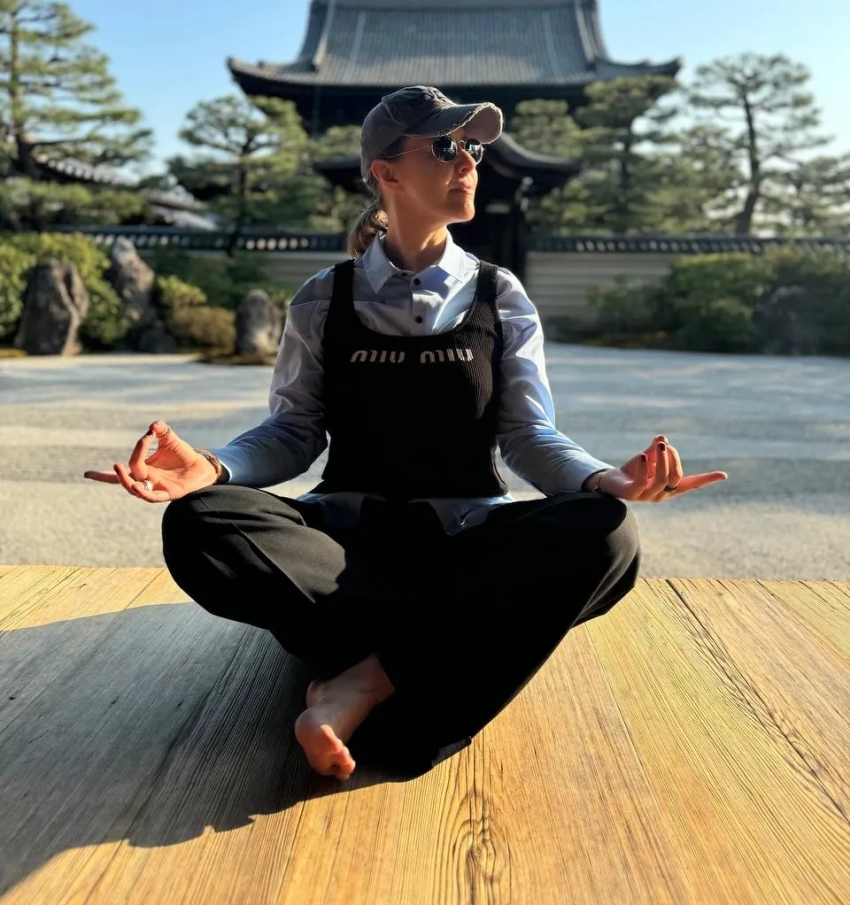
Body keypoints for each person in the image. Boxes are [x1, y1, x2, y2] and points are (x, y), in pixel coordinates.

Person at [85, 85, 727, 782]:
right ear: (385, 171)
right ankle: (444, 646)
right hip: (344, 549)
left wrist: (606, 478)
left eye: (472, 147)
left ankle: (361, 679)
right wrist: (213, 467)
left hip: (466, 545)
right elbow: (294, 431)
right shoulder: (322, 298)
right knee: (200, 521)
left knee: (608, 534)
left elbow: (527, 434)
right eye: (445, 147)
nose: (469, 162)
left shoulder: (501, 295)